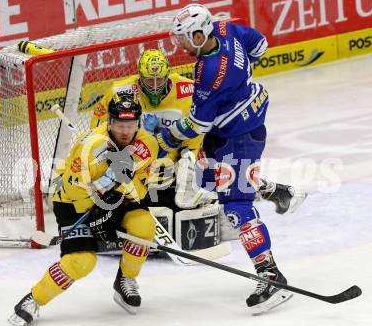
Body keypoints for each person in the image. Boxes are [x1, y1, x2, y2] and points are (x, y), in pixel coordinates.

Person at [156, 4, 293, 313]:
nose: (179, 46)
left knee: (235, 205)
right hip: (229, 126)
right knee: (204, 178)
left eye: (183, 39)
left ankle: (270, 274)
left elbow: (196, 124)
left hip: (240, 137)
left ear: (199, 34)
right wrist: (240, 85)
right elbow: (260, 44)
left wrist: (165, 138)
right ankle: (277, 191)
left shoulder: (207, 73)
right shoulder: (226, 30)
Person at [91, 49, 305, 215]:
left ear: (168, 74)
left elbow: (205, 124)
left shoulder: (189, 90)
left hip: (179, 158)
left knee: (217, 180)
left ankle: (277, 192)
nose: (155, 86)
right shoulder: (120, 91)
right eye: (149, 80)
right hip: (138, 159)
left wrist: (190, 155)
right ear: (139, 77)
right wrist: (110, 156)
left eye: (160, 80)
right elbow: (98, 128)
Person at [9, 93, 159, 326]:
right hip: (73, 203)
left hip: (115, 199)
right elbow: (72, 189)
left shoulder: (146, 144)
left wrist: (121, 186)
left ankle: (126, 280)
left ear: (138, 124)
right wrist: (104, 194)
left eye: (130, 126)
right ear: (109, 122)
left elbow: (140, 190)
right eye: (120, 125)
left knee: (144, 226)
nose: (125, 131)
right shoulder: (91, 147)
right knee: (81, 262)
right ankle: (33, 299)